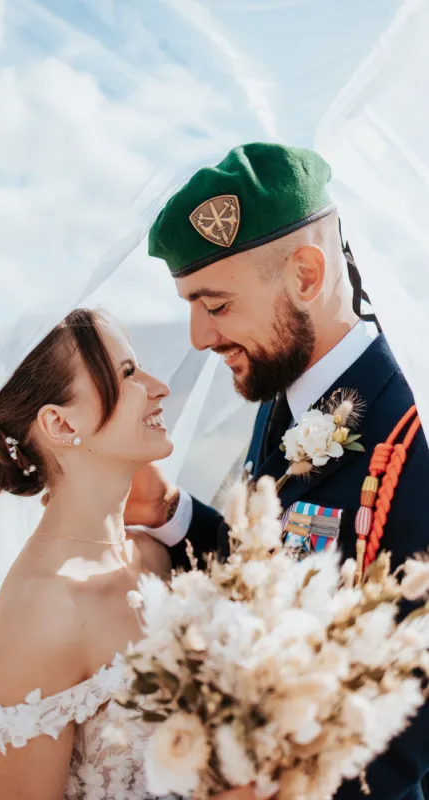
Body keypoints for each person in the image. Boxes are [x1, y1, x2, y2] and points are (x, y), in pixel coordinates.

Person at [125, 142, 429, 800]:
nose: (198, 337)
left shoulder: (414, 428)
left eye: (217, 305)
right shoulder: (281, 396)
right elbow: (271, 576)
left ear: (306, 276)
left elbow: (411, 702)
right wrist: (171, 514)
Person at [0, 307, 255, 800]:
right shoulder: (40, 608)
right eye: (127, 375)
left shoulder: (152, 556)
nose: (159, 387)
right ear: (60, 424)